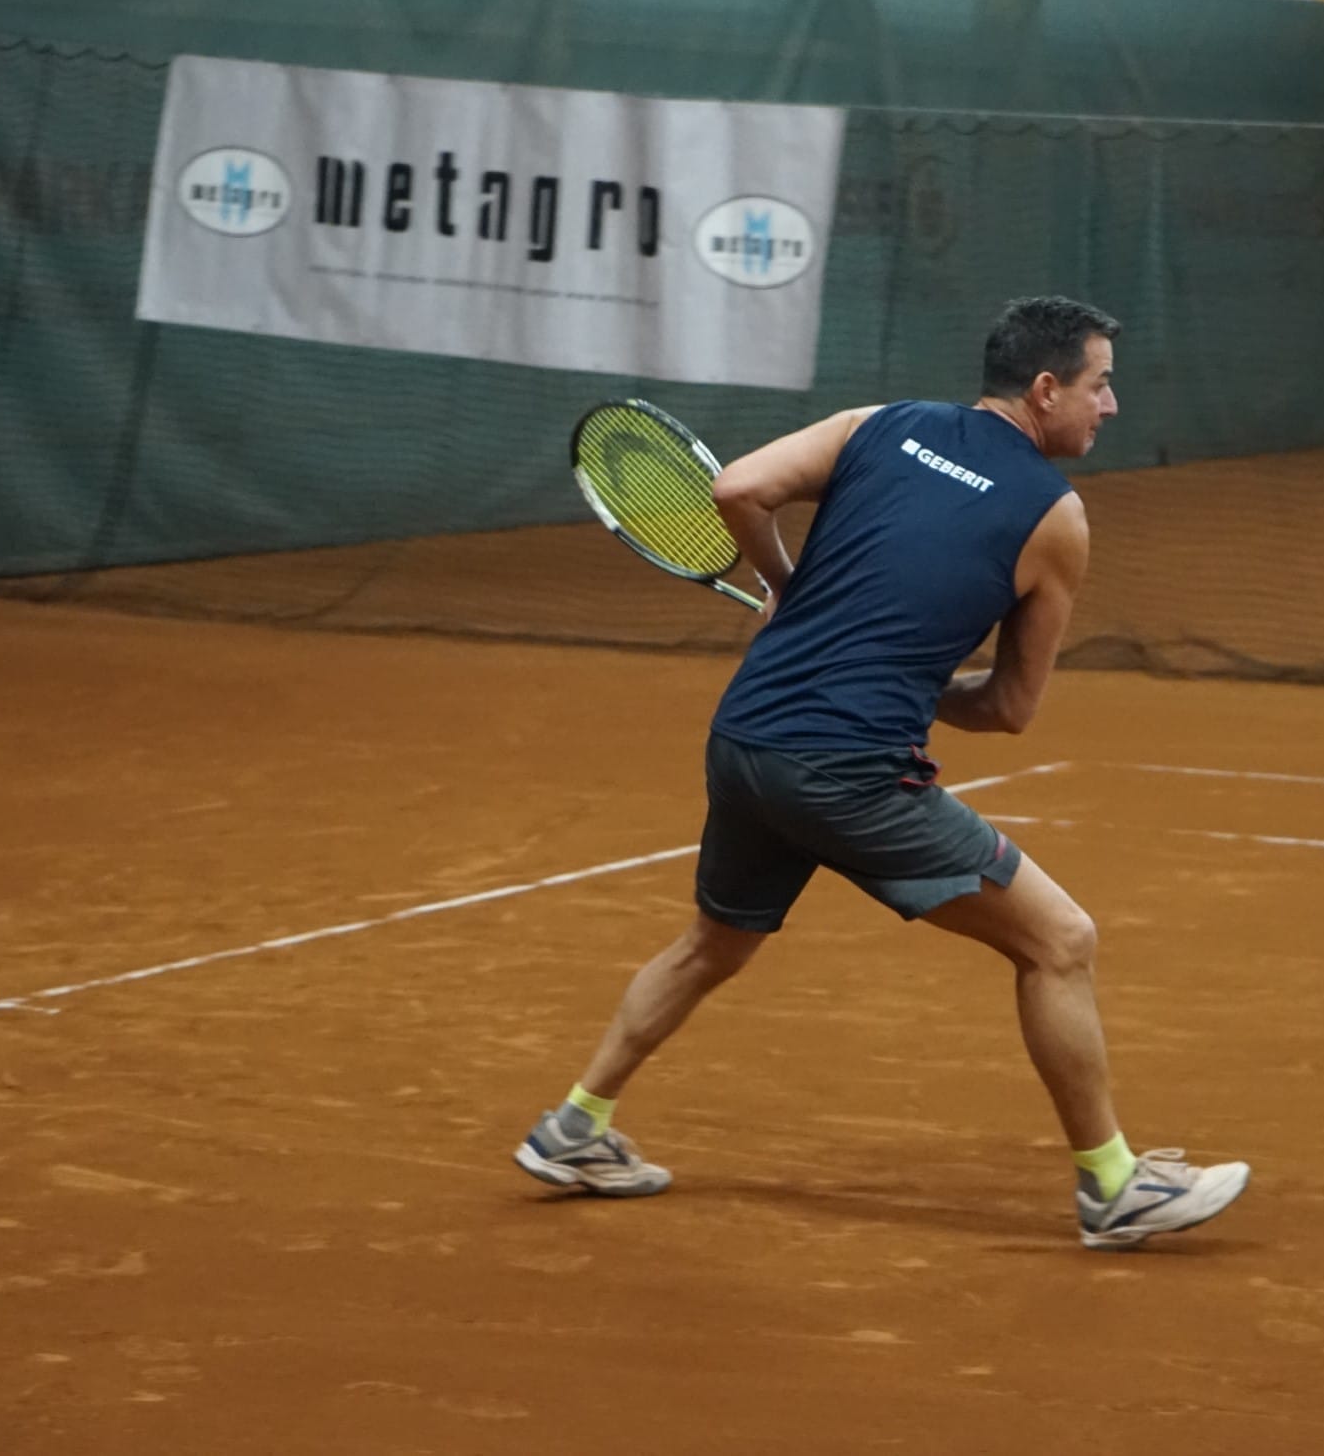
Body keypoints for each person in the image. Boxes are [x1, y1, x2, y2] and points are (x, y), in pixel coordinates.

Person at [515, 296, 1250, 1250]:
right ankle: (1115, 1187)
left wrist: (787, 589)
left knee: (714, 944)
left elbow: (738, 488)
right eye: (1099, 385)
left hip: (746, 741)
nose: (1109, 405)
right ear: (1045, 389)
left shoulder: (879, 423)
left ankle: (574, 1127)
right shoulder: (1055, 518)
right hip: (848, 771)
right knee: (1060, 942)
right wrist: (912, 676)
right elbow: (1009, 709)